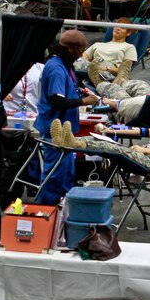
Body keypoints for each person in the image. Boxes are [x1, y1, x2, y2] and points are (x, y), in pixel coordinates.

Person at [32, 30, 101, 203]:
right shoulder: (56, 68)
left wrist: (80, 93)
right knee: (55, 175)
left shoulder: (66, 64)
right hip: (55, 132)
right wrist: (84, 101)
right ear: (70, 49)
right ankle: (47, 209)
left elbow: (67, 90)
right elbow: (57, 100)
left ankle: (65, 208)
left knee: (67, 174)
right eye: (79, 51)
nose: (80, 56)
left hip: (66, 133)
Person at [52, 99, 150, 174]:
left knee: (116, 150)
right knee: (104, 140)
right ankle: (71, 141)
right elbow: (140, 131)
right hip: (140, 154)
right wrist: (111, 130)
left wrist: (145, 150)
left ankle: (73, 143)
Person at [75, 17, 138, 85]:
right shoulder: (98, 44)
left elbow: (125, 71)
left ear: (128, 33)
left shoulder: (129, 47)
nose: (118, 28)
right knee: (75, 62)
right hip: (93, 65)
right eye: (117, 26)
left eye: (122, 28)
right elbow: (81, 59)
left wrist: (107, 68)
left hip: (108, 70)